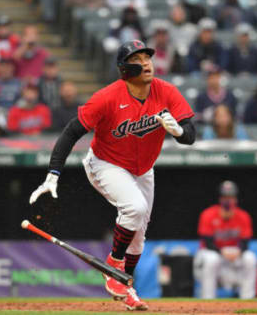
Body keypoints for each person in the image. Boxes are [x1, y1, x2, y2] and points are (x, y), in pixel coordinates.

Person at [28, 40, 195, 310]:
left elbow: (190, 135)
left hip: (143, 169)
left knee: (139, 236)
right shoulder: (107, 97)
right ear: (124, 69)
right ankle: (114, 264)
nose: (146, 63)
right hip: (105, 163)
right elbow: (72, 131)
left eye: (147, 58)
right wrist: (53, 173)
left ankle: (125, 287)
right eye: (137, 59)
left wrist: (179, 132)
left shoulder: (166, 92)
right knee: (135, 207)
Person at [194, 181, 257, 299]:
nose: (228, 200)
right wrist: (222, 252)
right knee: (211, 258)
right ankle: (208, 300)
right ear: (220, 199)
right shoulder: (208, 214)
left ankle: (248, 299)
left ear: (236, 199)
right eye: (225, 197)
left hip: (233, 255)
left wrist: (238, 252)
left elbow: (245, 242)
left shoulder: (243, 216)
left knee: (250, 258)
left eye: (231, 197)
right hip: (212, 254)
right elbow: (207, 243)